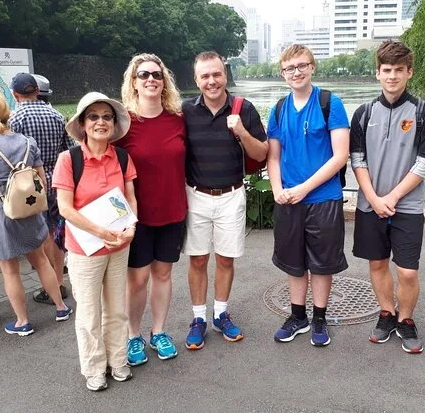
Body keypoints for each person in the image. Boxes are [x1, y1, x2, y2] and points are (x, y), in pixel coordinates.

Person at [350, 40, 425, 354]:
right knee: (377, 264)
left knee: (407, 270)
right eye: (386, 70)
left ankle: (406, 319)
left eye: (399, 70)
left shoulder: (423, 113)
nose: (392, 76)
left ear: (409, 72)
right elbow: (357, 159)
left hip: (408, 206)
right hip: (370, 204)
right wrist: (374, 198)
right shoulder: (363, 113)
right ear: (377, 72)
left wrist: (392, 197)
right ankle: (387, 313)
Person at [182, 51, 268, 350]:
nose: (212, 81)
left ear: (225, 75)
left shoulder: (245, 108)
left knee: (225, 259)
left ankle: (220, 313)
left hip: (231, 194)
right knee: (197, 259)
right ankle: (198, 318)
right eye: (205, 76)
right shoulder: (185, 111)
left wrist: (240, 131)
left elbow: (261, 154)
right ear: (196, 80)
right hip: (196, 194)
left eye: (216, 74)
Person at [266, 44, 349, 347]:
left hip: (323, 198)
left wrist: (305, 188)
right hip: (289, 198)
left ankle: (320, 318)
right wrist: (277, 189)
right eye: (290, 68)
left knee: (322, 263)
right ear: (282, 73)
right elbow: (273, 156)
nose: (296, 72)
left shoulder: (330, 103)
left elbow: (340, 155)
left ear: (312, 67)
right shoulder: (278, 109)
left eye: (302, 65)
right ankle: (298, 315)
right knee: (293, 261)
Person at [53, 92, 137, 391]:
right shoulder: (69, 160)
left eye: (107, 117)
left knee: (116, 309)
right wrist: (101, 233)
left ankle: (118, 360)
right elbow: (65, 208)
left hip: (119, 246)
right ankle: (94, 367)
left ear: (113, 124)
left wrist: (131, 227)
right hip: (85, 249)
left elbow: (130, 197)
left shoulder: (122, 157)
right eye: (93, 116)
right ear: (82, 124)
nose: (101, 122)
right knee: (89, 312)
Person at [0, 93, 71, 336]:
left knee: (10, 270)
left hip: (2, 211)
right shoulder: (28, 142)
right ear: (8, 114)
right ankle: (61, 307)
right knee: (41, 260)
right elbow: (41, 180)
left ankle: (22, 321)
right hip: (29, 207)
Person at [114, 53, 185, 364]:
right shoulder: (123, 126)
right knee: (138, 279)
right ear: (134, 82)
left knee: (163, 274)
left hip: (173, 211)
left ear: (164, 81)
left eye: (156, 74)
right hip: (137, 217)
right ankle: (133, 335)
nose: (151, 79)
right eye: (143, 75)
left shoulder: (178, 120)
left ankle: (159, 332)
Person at [8, 73, 74, 305]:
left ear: (15, 94)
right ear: (37, 91)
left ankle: (49, 286)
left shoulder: (14, 119)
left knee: (41, 233)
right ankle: (59, 281)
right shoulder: (57, 116)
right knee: (56, 230)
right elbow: (68, 149)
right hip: (57, 178)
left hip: (28, 183)